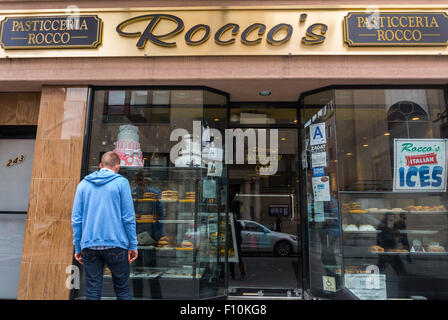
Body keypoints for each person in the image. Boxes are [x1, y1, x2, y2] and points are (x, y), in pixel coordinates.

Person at [71, 151, 138, 300]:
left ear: (100, 165)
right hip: (116, 245)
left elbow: (76, 219)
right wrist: (133, 245)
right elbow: (128, 218)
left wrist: (77, 246)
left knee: (92, 292)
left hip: (89, 245)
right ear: (117, 167)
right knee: (122, 291)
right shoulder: (121, 183)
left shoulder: (83, 184)